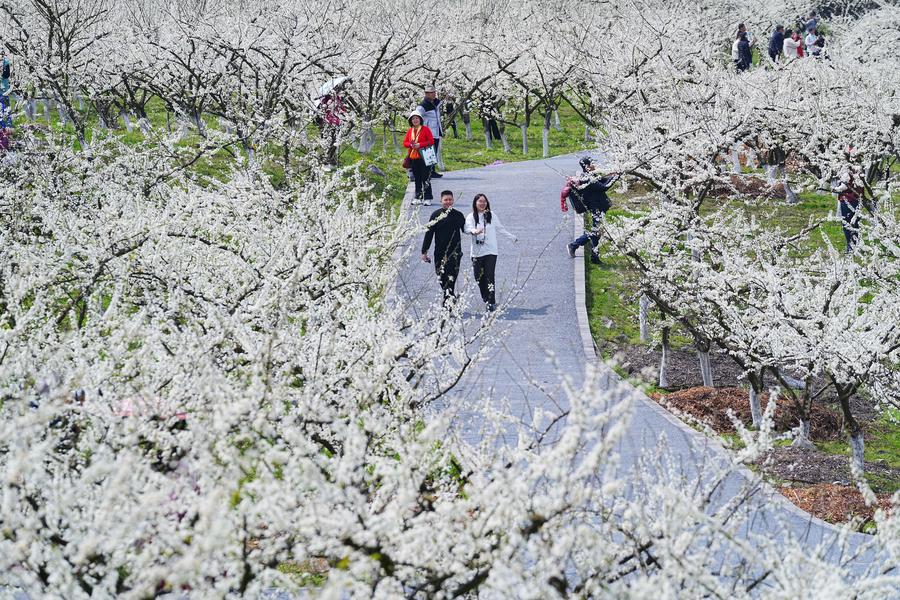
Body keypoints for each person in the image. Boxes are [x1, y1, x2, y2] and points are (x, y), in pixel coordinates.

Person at [465, 193, 517, 312]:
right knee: (478, 276)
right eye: (480, 201)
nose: (482, 204)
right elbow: (466, 229)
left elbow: (500, 228)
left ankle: (491, 301)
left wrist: (512, 237)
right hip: (477, 252)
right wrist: (474, 231)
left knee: (489, 275)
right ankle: (485, 297)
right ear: (475, 203)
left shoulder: (491, 215)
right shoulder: (471, 217)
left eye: (484, 201)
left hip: (491, 251)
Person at [565, 157, 620, 265]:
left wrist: (613, 175)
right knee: (595, 231)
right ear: (587, 166)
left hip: (599, 207)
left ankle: (594, 257)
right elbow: (604, 186)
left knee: (597, 232)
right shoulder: (588, 178)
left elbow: (603, 180)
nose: (594, 165)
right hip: (597, 208)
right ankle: (574, 245)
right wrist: (616, 177)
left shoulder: (590, 176)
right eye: (592, 163)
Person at [421, 190, 466, 304]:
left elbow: (467, 229)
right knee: (441, 277)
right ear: (441, 201)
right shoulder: (436, 215)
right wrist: (424, 251)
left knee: (451, 278)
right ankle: (450, 297)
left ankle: (447, 303)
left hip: (455, 253)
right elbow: (429, 234)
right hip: (440, 253)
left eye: (450, 199)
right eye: (446, 200)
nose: (448, 202)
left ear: (453, 200)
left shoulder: (458, 215)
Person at [403, 107, 435, 206]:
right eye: (413, 119)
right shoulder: (410, 131)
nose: (415, 120)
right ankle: (418, 197)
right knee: (417, 178)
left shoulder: (426, 129)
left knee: (426, 178)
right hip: (414, 158)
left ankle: (428, 198)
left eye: (417, 118)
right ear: (410, 121)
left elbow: (431, 141)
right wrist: (411, 145)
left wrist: (419, 145)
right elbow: (405, 143)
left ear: (420, 119)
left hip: (424, 157)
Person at [832, 169, 864, 253]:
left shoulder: (846, 170)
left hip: (848, 200)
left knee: (847, 224)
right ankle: (856, 245)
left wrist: (836, 189)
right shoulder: (859, 169)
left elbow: (844, 186)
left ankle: (851, 246)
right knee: (856, 224)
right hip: (857, 200)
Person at [419, 85, 444, 178]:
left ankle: (432, 171)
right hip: (428, 133)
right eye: (431, 92)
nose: (434, 94)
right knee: (429, 153)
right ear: (426, 94)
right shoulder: (423, 105)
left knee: (434, 152)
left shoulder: (435, 103)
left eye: (434, 92)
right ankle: (428, 172)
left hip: (436, 131)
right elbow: (417, 116)